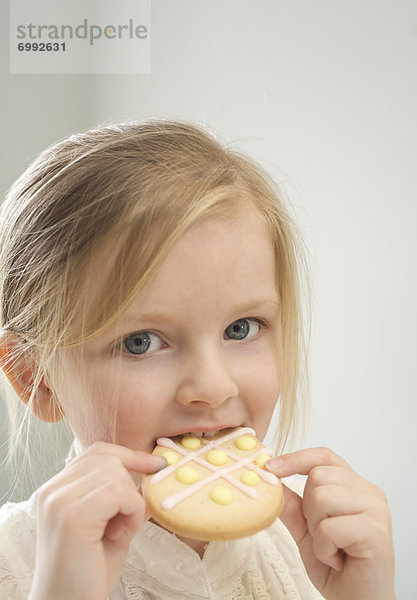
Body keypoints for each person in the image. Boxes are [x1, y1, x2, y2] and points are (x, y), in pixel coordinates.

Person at [0, 119, 395, 600]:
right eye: (141, 342)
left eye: (240, 329)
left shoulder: (310, 555)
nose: (213, 386)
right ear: (36, 379)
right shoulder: (12, 567)